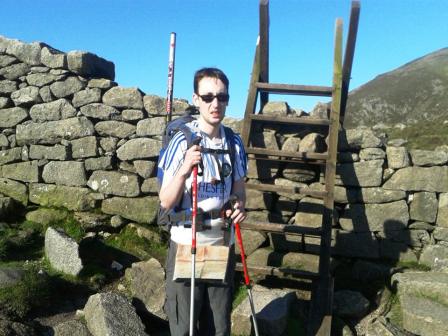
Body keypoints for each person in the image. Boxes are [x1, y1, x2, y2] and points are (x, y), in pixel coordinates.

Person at [158, 67, 247, 336]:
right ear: (196, 99)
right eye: (207, 97)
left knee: (218, 328)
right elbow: (165, 201)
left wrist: (239, 206)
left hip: (222, 244)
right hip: (187, 243)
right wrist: (185, 168)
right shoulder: (181, 141)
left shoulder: (234, 143)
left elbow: (240, 192)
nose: (215, 103)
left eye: (221, 97)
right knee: (183, 328)